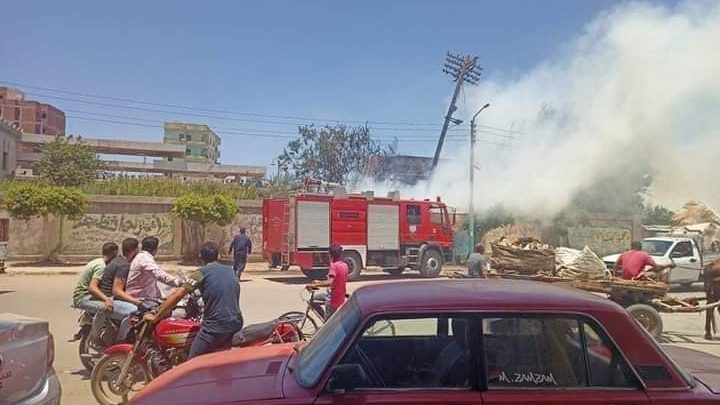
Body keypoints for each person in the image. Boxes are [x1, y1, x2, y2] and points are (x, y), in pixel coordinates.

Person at [145, 241, 243, 359]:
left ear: (200, 257)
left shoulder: (200, 273)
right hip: (235, 323)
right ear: (218, 256)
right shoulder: (230, 270)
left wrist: (156, 316)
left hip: (215, 327)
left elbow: (178, 294)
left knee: (192, 362)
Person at [126, 236, 181, 301]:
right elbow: (159, 274)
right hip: (140, 298)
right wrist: (178, 282)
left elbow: (153, 283)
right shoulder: (144, 259)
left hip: (145, 296)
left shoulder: (142, 257)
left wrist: (161, 296)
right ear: (155, 249)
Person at [99, 238, 141, 319]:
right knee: (135, 311)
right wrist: (135, 301)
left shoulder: (118, 260)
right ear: (136, 250)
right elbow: (116, 291)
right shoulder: (124, 265)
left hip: (106, 294)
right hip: (110, 298)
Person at [72, 243, 118, 314]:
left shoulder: (97, 261)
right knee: (109, 308)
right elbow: (92, 288)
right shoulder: (101, 266)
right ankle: (97, 321)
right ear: (114, 253)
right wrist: (107, 300)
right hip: (83, 298)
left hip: (84, 296)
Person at [307, 244, 348, 319]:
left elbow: (330, 282)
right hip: (340, 297)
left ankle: (325, 321)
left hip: (332, 299)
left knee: (328, 322)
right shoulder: (344, 265)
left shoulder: (334, 266)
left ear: (330, 255)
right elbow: (337, 280)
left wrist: (315, 285)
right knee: (314, 299)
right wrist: (318, 282)